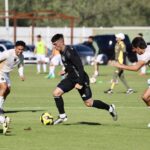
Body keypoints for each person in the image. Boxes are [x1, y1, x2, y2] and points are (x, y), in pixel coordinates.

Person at [50, 34, 117, 125]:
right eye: (53, 44)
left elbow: (80, 67)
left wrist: (80, 83)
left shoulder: (70, 51)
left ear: (61, 42)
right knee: (56, 93)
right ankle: (62, 116)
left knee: (89, 103)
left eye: (55, 44)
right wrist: (65, 70)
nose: (54, 46)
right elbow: (70, 65)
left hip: (81, 78)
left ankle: (110, 108)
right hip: (71, 78)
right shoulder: (61, 51)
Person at [111, 37, 150, 126]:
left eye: (135, 49)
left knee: (146, 97)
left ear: (138, 47)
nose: (134, 51)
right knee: (145, 97)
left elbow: (136, 68)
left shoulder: (146, 54)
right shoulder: (147, 50)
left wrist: (120, 65)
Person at [0, 41, 26, 134]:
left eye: (22, 49)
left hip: (6, 74)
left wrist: (21, 74)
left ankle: (1, 107)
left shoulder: (21, 56)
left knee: (8, 90)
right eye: (19, 49)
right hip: (0, 71)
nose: (20, 51)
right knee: (4, 87)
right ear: (15, 47)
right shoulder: (7, 53)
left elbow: (20, 65)